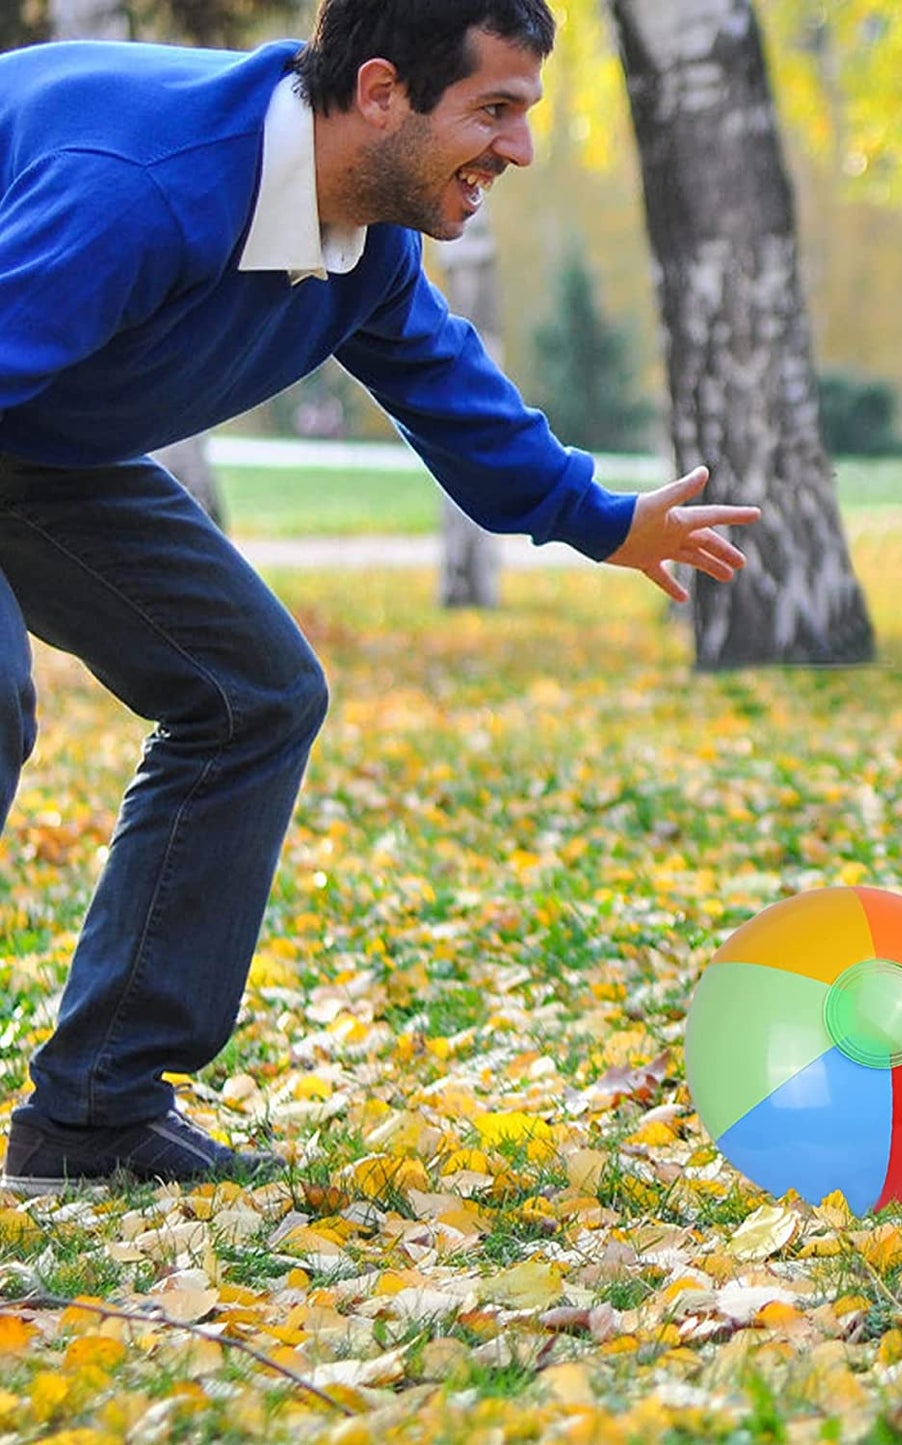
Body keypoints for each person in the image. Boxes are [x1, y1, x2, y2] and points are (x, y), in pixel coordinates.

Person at [0, 0, 759, 1195]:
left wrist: (600, 517)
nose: (517, 149)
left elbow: (447, 390)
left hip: (35, 436)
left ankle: (93, 1114)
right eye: (494, 111)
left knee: (250, 693)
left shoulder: (358, 243)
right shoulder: (143, 185)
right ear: (382, 91)